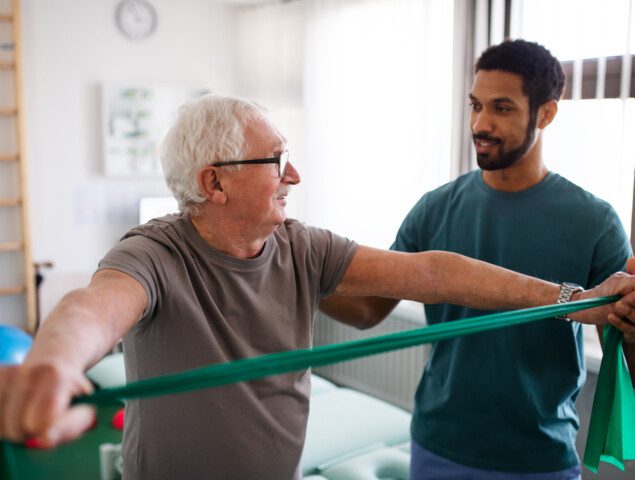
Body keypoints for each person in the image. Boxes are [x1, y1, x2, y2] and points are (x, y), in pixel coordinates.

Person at [1, 94, 635, 480]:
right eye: (276, 160)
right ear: (215, 183)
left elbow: (431, 271)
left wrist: (573, 302)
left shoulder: (301, 245)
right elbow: (94, 307)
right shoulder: (155, 253)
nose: (294, 174)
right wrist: (54, 362)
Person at [320, 39, 635, 480]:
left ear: (546, 113)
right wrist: (300, 274)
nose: (480, 123)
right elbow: (367, 310)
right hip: (438, 445)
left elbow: (624, 355)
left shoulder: (594, 222)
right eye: (475, 105)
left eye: (501, 108)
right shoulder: (435, 207)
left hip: (538, 457)